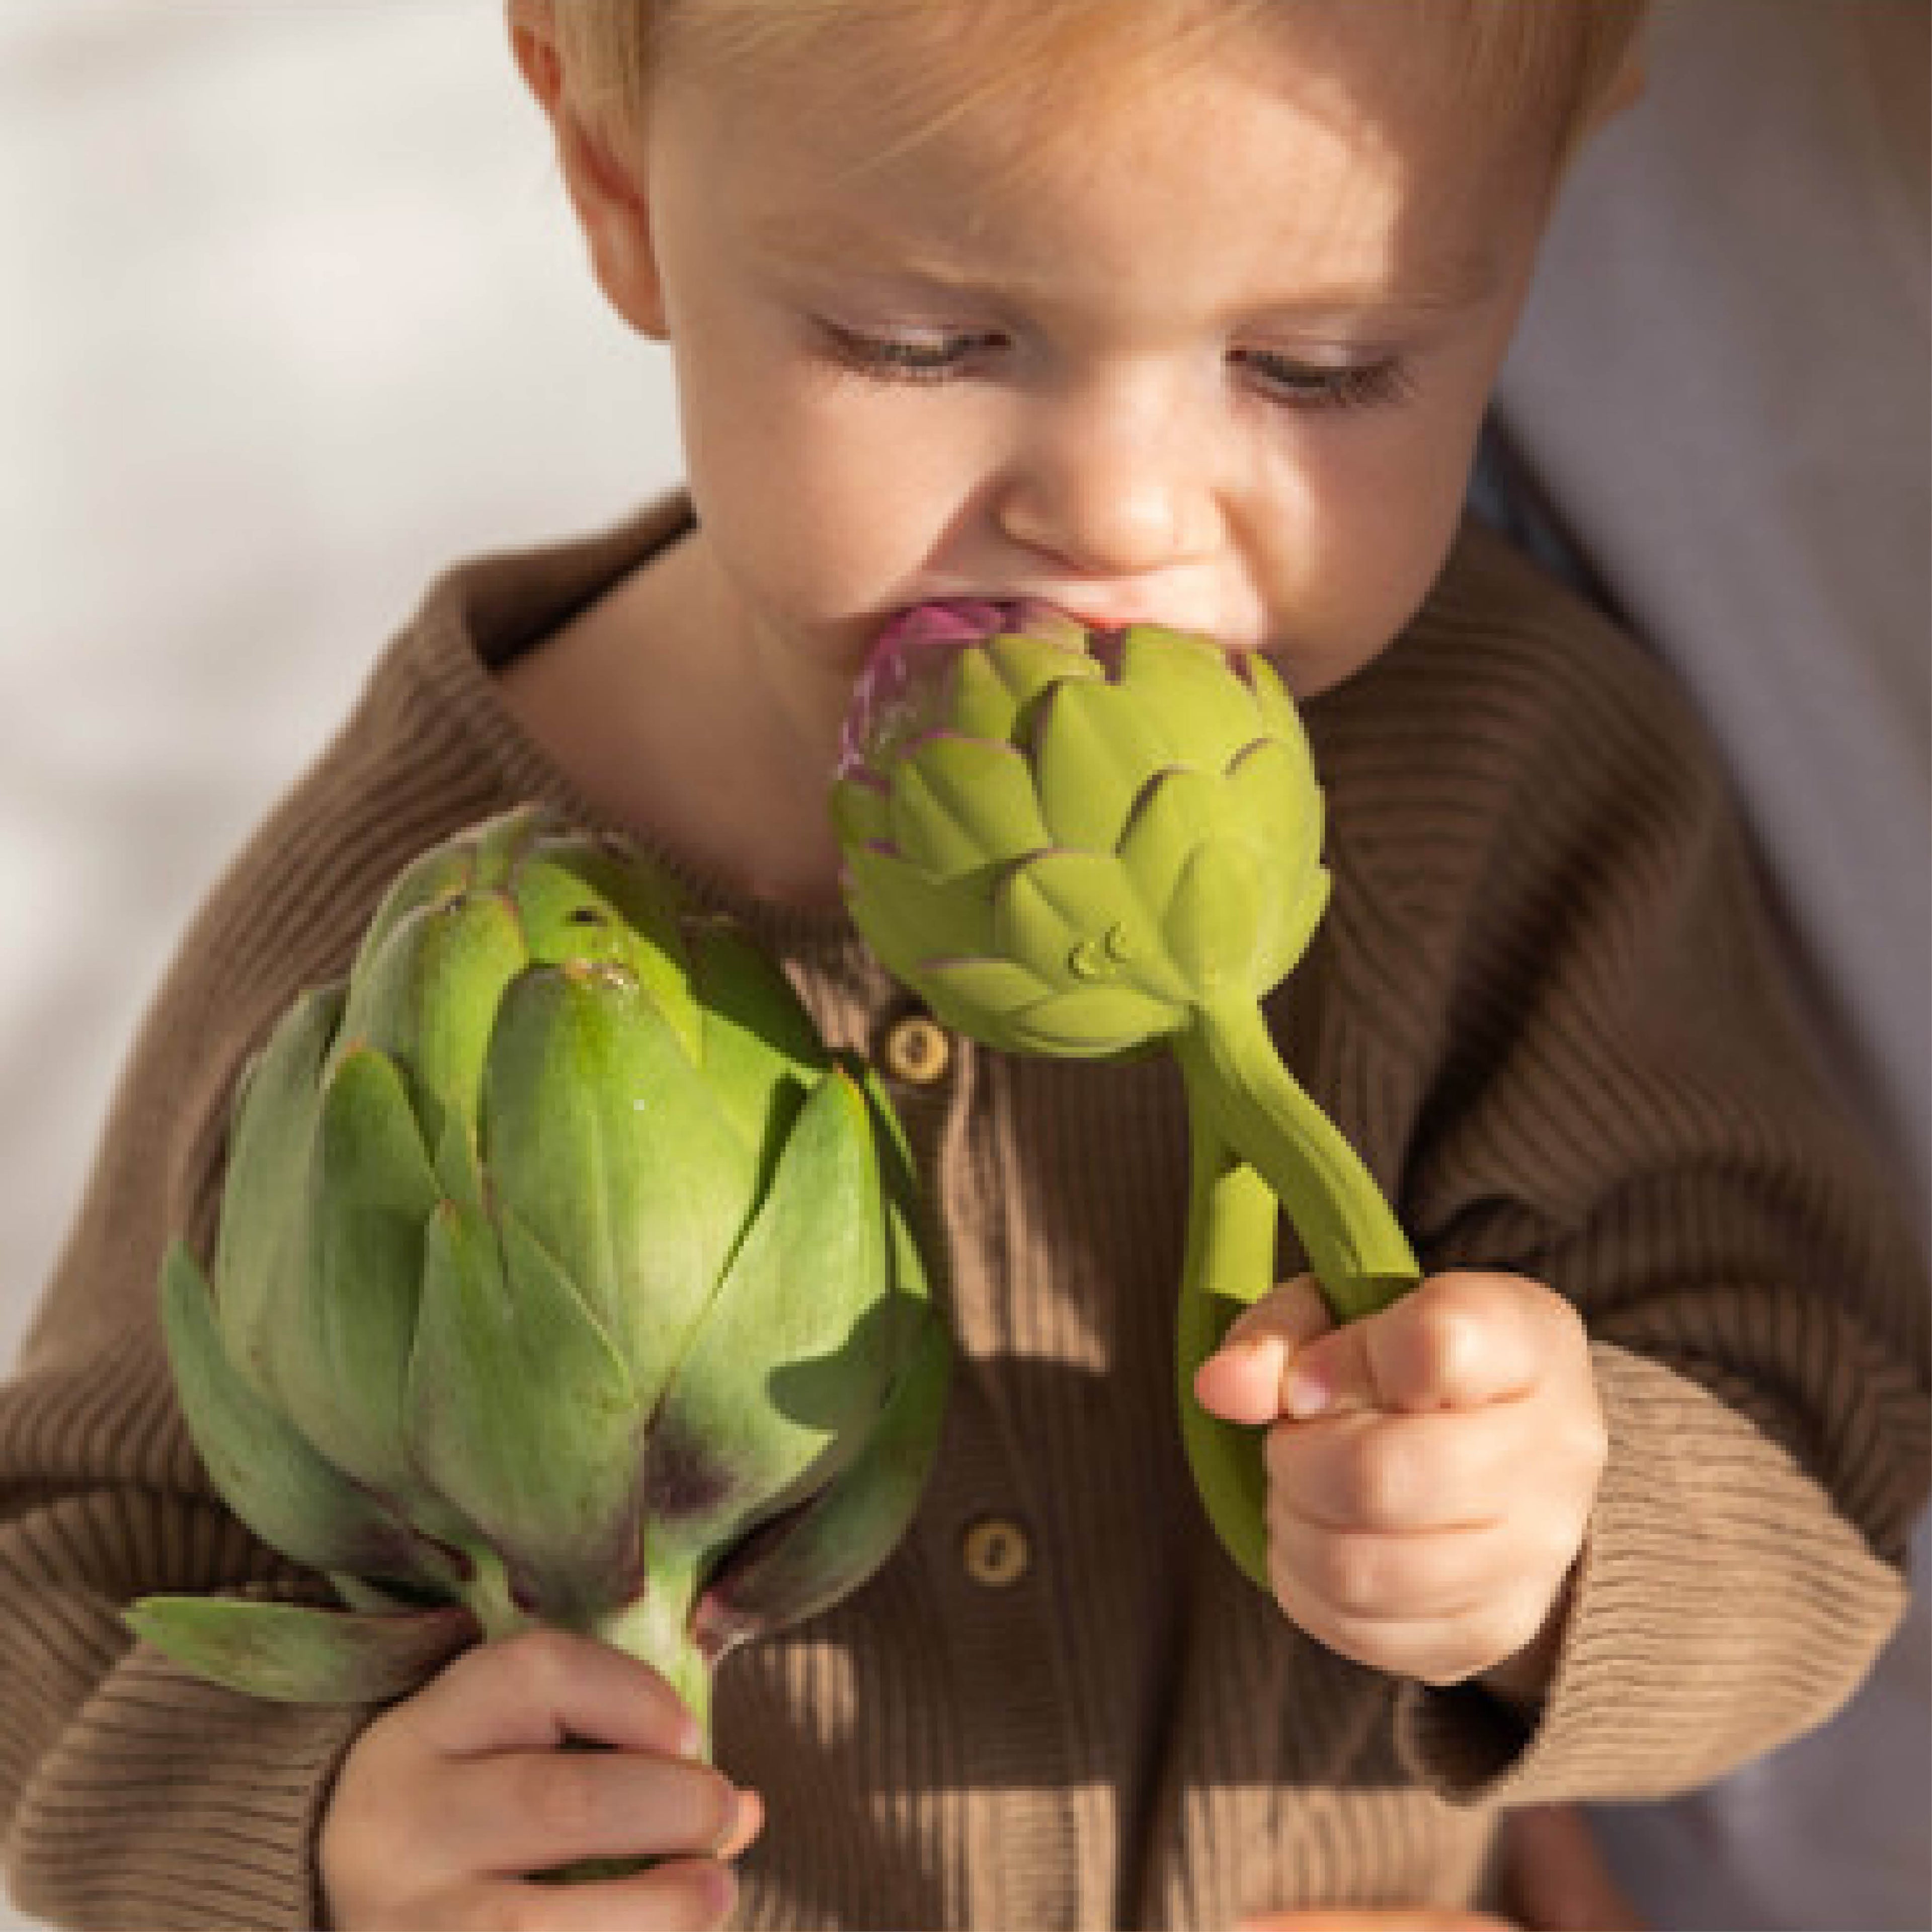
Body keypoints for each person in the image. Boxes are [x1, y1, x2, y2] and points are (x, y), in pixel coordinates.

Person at [1, 4, 1924, 1928]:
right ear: (615, 182)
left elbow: (1817, 1431)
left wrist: (1569, 1542)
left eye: (1322, 367)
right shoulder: (415, 936)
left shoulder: (1509, 778)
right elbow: (61, 1585)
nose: (1120, 511)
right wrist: (322, 1838)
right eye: (921, 343)